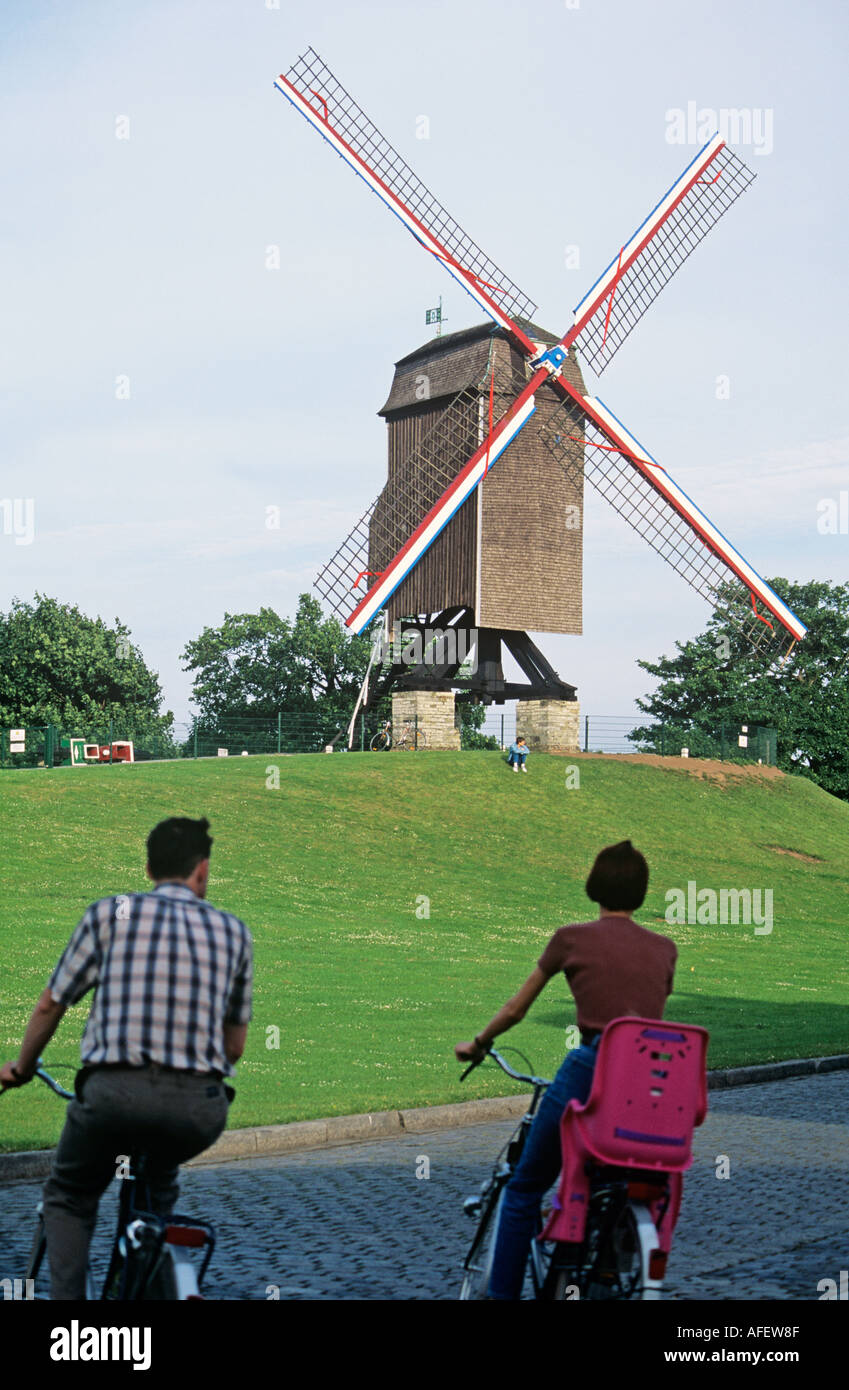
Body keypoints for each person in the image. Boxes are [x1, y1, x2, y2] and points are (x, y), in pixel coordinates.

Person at [0, 815, 253, 1300]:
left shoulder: (108, 915)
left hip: (114, 1096)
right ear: (202, 870)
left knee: (70, 1197)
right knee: (157, 1196)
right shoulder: (234, 933)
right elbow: (235, 1046)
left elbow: (52, 1002)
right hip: (199, 1108)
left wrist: (22, 1067)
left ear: (148, 868)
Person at [454, 839, 677, 1300]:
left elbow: (517, 1009)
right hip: (649, 1084)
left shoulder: (571, 939)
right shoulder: (664, 949)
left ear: (594, 886)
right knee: (617, 1180)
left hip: (592, 1067)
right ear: (641, 892)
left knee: (524, 1188)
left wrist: (478, 1045)